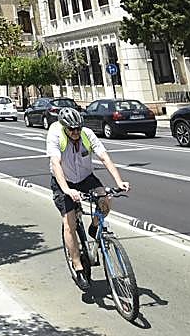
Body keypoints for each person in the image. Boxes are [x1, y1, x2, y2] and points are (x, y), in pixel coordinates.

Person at [47, 106, 130, 287]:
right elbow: (56, 164)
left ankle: (94, 227)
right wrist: (67, 190)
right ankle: (78, 267)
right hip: (64, 181)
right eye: (72, 129)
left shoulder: (87, 134)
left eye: (78, 128)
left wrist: (119, 181)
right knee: (69, 224)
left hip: (85, 177)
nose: (75, 132)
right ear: (64, 128)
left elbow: (104, 157)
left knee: (105, 200)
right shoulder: (56, 135)